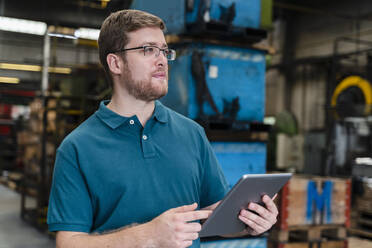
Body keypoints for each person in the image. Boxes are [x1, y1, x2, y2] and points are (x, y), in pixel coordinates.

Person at [47, 9, 278, 248]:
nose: (161, 60)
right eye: (147, 50)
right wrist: (148, 236)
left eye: (164, 51)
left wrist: (251, 220)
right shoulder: (77, 147)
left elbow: (213, 216)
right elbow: (69, 243)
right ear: (115, 63)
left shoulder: (192, 133)